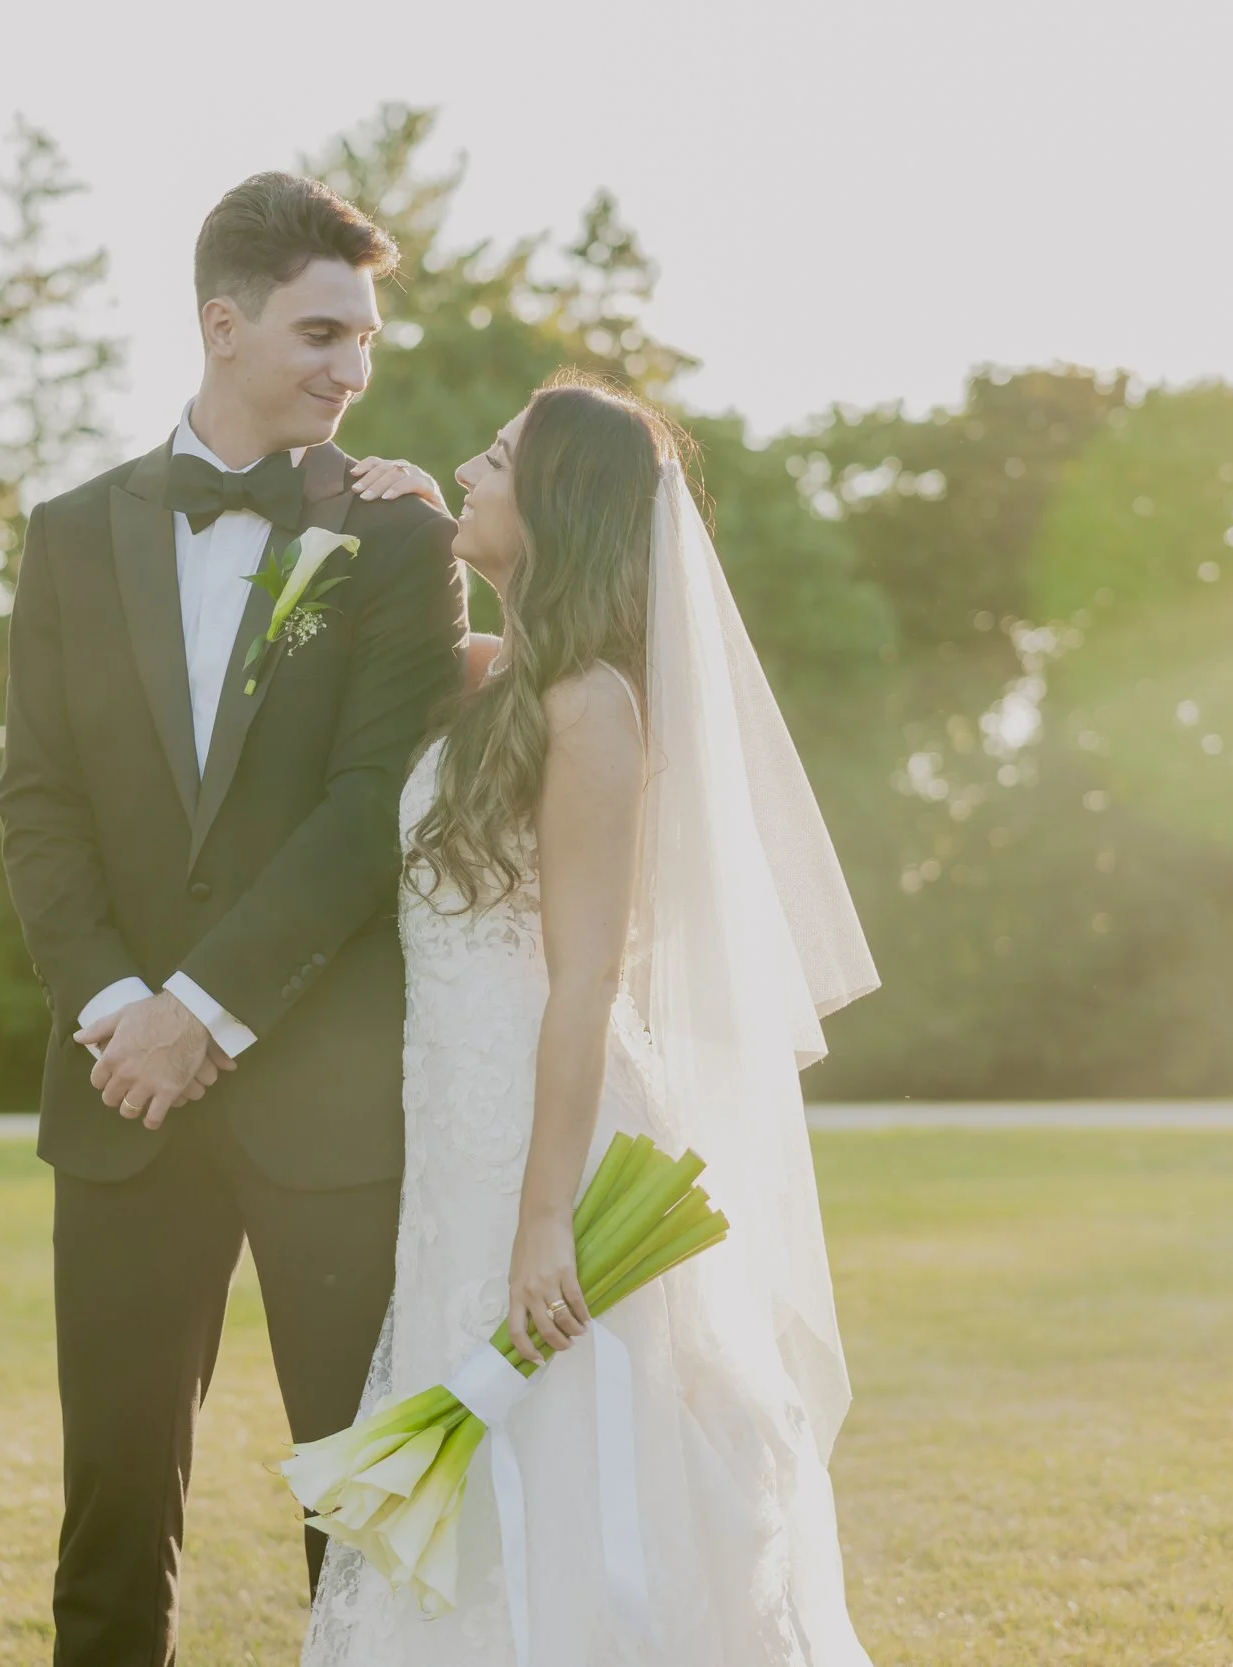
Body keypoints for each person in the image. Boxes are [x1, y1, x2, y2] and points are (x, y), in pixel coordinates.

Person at [306, 376, 883, 1665]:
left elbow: (584, 980)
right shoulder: (504, 679)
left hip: (543, 1130)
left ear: (556, 505)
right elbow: (362, 656)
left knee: (580, 1439)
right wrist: (388, 518)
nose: (466, 467)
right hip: (459, 1133)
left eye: (496, 459)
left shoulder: (595, 709)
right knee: (487, 1436)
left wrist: (546, 1215)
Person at [0, 171, 466, 1667]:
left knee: (373, 1517)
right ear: (223, 322)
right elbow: (39, 807)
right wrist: (117, 1012)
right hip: (119, 1094)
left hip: (330, 1095)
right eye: (323, 331)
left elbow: (363, 809)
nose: (352, 366)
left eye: (367, 341)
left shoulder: (397, 539)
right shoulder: (69, 536)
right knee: (112, 1522)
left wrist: (196, 1010)